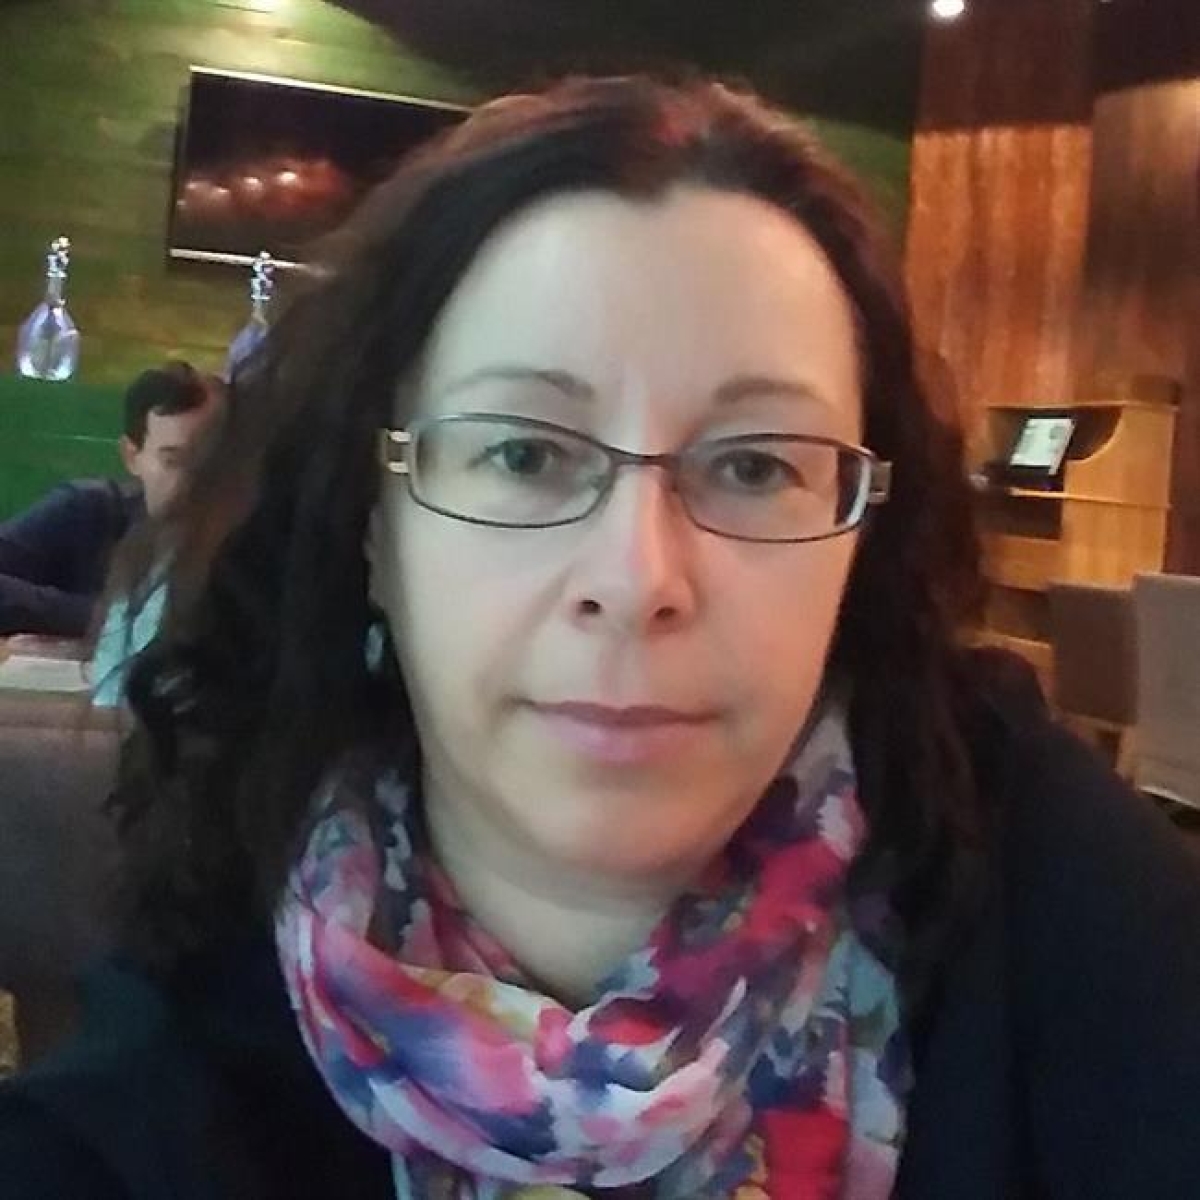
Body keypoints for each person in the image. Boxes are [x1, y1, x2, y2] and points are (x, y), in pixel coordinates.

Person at [1, 76, 1198, 1199]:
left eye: (755, 465)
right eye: (524, 453)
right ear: (372, 522)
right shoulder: (163, 1078)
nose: (638, 580)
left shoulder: (1043, 884)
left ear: (860, 539)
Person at [0, 361, 223, 638]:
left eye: (212, 461)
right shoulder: (89, 511)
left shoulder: (242, 548)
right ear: (132, 456)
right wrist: (109, 619)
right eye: (174, 461)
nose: (195, 479)